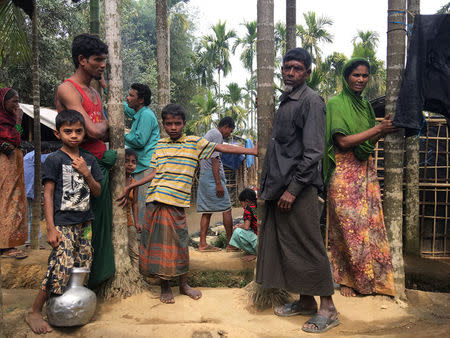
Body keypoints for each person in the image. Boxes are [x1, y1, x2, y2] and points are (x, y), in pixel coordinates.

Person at [117, 103, 257, 304]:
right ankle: (166, 286)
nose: (173, 127)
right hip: (156, 200)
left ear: (184, 124)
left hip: (178, 203)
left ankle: (183, 285)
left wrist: (252, 151)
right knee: (161, 247)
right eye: (169, 124)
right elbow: (155, 173)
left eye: (177, 123)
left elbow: (221, 147)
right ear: (164, 124)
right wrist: (132, 185)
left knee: (181, 245)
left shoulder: (194, 143)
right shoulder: (160, 145)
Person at [256, 48, 339, 334]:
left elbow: (314, 151)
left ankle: (327, 307)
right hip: (279, 185)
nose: (290, 72)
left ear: (307, 72)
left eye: (297, 68)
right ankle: (305, 301)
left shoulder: (311, 101)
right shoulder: (287, 100)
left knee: (307, 244)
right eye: (286, 67)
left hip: (298, 188)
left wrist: (293, 189)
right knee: (288, 244)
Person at [323, 58, 397, 298]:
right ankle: (347, 281)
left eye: (365, 76)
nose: (361, 80)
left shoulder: (365, 106)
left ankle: (372, 282)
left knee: (369, 227)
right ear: (346, 77)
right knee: (346, 229)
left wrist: (378, 132)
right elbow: (342, 142)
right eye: (356, 75)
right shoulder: (336, 103)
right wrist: (378, 130)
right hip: (343, 174)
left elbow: (365, 145)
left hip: (365, 170)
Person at [25, 110, 103, 334]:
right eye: (68, 131)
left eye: (78, 131)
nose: (74, 135)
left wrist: (86, 173)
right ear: (57, 133)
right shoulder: (54, 160)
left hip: (85, 224)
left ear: (84, 134)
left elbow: (97, 192)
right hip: (62, 224)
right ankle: (35, 311)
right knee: (60, 266)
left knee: (82, 266)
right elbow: (47, 194)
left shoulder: (89, 160)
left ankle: (77, 307)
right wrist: (50, 228)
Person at [55, 33, 117, 289]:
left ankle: (95, 282)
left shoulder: (93, 90)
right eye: (98, 60)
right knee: (79, 227)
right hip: (79, 167)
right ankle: (72, 286)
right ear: (82, 60)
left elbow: (100, 128)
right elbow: (92, 130)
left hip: (99, 167)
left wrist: (103, 126)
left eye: (104, 60)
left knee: (101, 226)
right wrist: (106, 125)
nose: (103, 65)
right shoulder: (68, 89)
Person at [196, 116, 236, 252]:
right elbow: (215, 160)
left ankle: (202, 243)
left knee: (207, 211)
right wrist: (218, 183)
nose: (228, 134)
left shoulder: (210, 133)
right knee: (227, 209)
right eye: (229, 131)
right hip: (213, 177)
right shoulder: (217, 135)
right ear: (226, 127)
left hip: (204, 176)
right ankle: (230, 244)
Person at [123, 83, 160, 231]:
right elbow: (125, 107)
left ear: (141, 100)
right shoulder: (138, 113)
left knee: (141, 204)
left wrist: (122, 134)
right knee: (136, 203)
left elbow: (139, 141)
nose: (127, 98)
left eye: (131, 96)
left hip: (145, 166)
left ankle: (141, 241)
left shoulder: (145, 115)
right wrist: (106, 88)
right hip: (140, 165)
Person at [0, 87, 27, 259]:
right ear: (3, 102)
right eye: (14, 101)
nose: (17, 105)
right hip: (5, 165)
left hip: (12, 164)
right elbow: (14, 139)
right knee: (8, 200)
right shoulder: (4, 122)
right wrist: (18, 121)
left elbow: (18, 139)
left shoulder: (8, 120)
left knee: (12, 200)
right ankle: (6, 246)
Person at [23, 142, 54, 246]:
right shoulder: (37, 157)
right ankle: (31, 241)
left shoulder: (28, 155)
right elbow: (51, 157)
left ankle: (30, 240)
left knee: (29, 215)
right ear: (45, 151)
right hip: (31, 189)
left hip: (25, 188)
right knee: (33, 215)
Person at [229, 188, 258, 261]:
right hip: (266, 240)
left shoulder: (248, 209)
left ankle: (254, 253)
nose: (242, 206)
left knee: (237, 232)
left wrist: (238, 226)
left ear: (247, 201)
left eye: (241, 203)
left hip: (258, 241)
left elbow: (246, 227)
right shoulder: (258, 205)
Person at [124, 148, 140, 268]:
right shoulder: (114, 178)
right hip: (114, 222)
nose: (130, 164)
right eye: (127, 161)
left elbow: (135, 203)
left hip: (129, 222)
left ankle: (136, 276)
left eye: (133, 162)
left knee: (134, 251)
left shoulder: (134, 182)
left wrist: (136, 222)